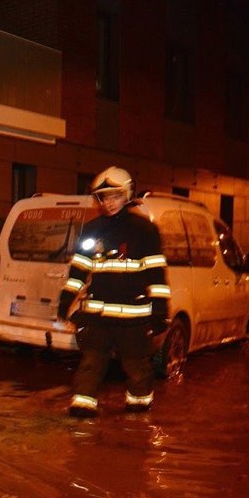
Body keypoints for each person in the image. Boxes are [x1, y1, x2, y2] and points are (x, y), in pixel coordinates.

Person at [57, 166, 171, 417]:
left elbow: (157, 275)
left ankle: (138, 416)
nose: (109, 203)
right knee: (90, 364)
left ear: (127, 194)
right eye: (104, 197)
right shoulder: (92, 229)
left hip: (134, 318)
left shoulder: (144, 231)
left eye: (115, 196)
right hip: (98, 316)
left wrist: (161, 310)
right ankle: (81, 416)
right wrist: (65, 301)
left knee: (137, 368)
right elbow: (79, 269)